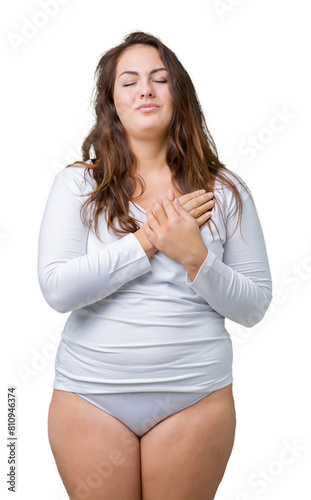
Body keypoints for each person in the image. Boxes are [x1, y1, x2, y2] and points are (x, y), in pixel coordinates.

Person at [37, 31, 272, 500]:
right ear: (112, 102)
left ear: (178, 94)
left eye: (159, 79)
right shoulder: (77, 186)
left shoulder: (224, 190)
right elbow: (57, 289)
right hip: (90, 398)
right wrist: (148, 240)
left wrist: (195, 255)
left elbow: (254, 306)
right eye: (129, 81)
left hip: (195, 398)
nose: (145, 90)